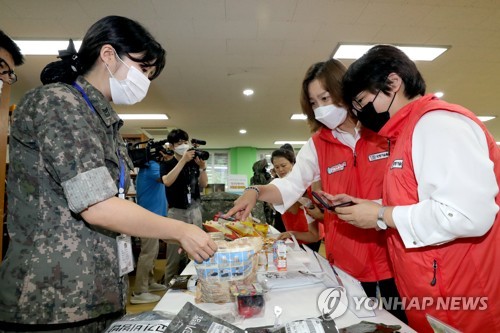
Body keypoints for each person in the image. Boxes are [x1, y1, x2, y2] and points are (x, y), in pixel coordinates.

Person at [0, 16, 217, 332]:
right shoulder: (59, 102)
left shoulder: (104, 122)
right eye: (143, 69)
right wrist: (179, 230)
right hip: (50, 303)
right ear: (108, 55)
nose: (145, 80)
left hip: (96, 297)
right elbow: (97, 206)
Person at [226, 58, 406, 323]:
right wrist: (255, 191)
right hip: (347, 260)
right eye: (314, 103)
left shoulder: (383, 132)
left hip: (395, 253)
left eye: (325, 97)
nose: (321, 108)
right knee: (356, 323)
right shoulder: (318, 144)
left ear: (345, 92)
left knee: (402, 320)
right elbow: (290, 185)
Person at [335, 44, 500, 332]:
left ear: (393, 82)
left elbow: (466, 215)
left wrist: (381, 215)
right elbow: (417, 198)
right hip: (432, 292)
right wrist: (369, 205)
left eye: (361, 102)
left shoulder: (438, 123)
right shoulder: (405, 133)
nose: (360, 114)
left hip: (462, 298)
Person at [161, 129, 208, 285]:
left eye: (184, 142)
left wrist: (202, 168)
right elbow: (167, 181)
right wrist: (182, 161)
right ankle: (170, 286)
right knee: (174, 254)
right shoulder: (167, 164)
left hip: (194, 211)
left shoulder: (193, 164)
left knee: (198, 248)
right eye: (179, 143)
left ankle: (198, 282)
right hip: (177, 212)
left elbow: (204, 184)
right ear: (172, 146)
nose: (183, 145)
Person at [130, 149, 170, 305]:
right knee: (148, 253)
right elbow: (166, 179)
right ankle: (139, 291)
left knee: (152, 252)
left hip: (154, 216)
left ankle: (150, 282)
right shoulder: (152, 166)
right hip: (148, 218)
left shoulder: (149, 166)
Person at [271, 147, 323, 252]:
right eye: (276, 167)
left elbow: (314, 235)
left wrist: (291, 234)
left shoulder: (304, 190)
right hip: (292, 240)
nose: (280, 170)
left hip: (309, 242)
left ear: (293, 164)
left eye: (283, 165)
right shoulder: (280, 187)